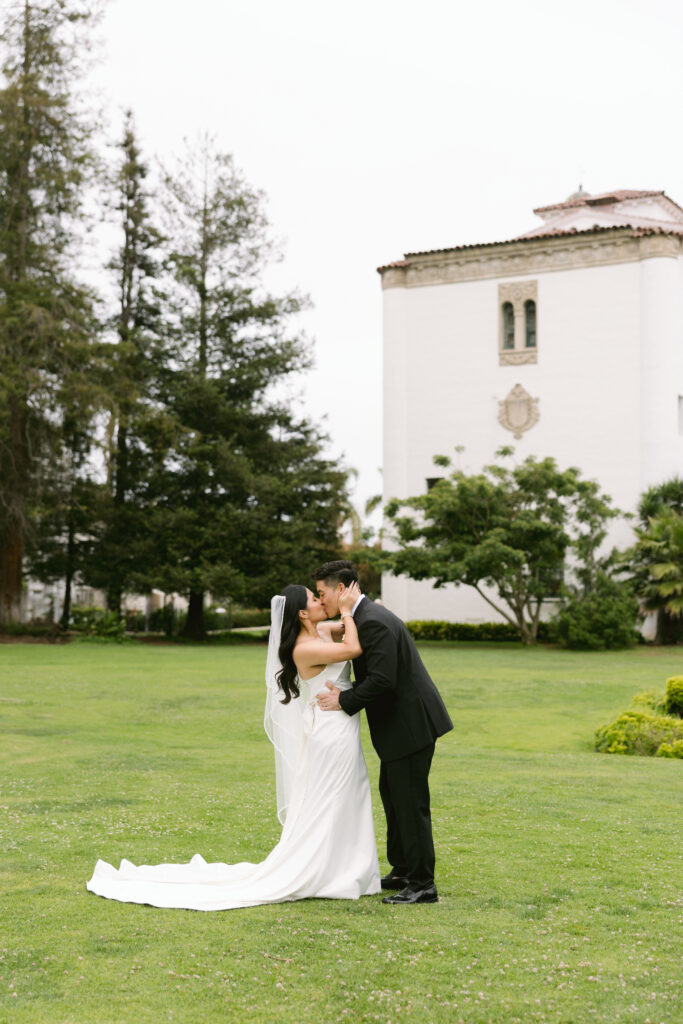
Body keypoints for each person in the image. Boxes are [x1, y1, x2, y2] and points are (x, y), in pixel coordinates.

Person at [86, 583, 380, 910]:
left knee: (346, 794)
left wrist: (344, 615)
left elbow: (332, 629)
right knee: (335, 796)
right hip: (329, 730)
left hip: (336, 725)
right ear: (300, 612)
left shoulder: (317, 633)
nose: (318, 600)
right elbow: (353, 648)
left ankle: (344, 868)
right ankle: (334, 871)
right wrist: (348, 612)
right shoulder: (304, 648)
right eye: (314, 598)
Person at [314, 560, 453, 905]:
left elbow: (382, 680)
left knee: (409, 803)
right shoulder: (364, 617)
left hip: (411, 724)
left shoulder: (373, 621)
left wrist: (342, 700)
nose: (321, 600)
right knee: (393, 796)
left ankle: (423, 884)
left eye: (322, 593)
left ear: (342, 589)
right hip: (401, 725)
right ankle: (405, 868)